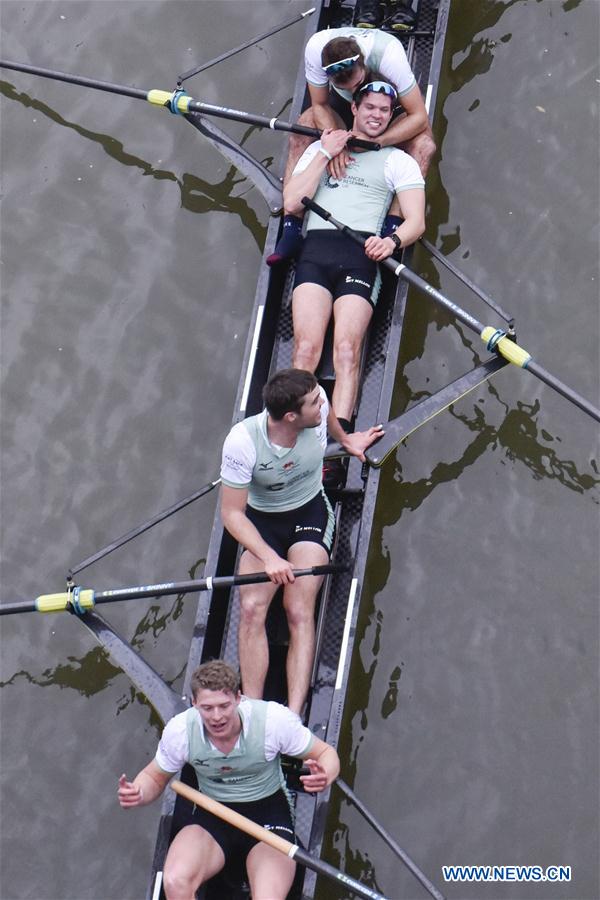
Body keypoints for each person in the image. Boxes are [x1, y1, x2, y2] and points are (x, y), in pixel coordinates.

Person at [219, 368, 382, 715]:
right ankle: (253, 708)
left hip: (310, 513)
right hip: (264, 524)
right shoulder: (242, 443)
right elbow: (232, 515)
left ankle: (293, 715)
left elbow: (329, 421)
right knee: (250, 610)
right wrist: (269, 558)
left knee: (296, 609)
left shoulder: (318, 404)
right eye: (314, 403)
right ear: (291, 416)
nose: (323, 403)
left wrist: (347, 440)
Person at [118, 659, 340, 900]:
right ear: (194, 704)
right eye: (207, 708)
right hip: (211, 815)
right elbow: (153, 777)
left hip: (268, 818)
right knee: (175, 882)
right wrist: (139, 792)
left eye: (224, 706)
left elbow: (326, 753)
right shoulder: (181, 731)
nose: (216, 717)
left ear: (239, 698)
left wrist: (325, 774)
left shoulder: (272, 722)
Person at [284, 81, 425, 446]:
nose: (376, 116)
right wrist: (323, 154)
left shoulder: (398, 161)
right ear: (355, 110)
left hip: (359, 259)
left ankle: (337, 441)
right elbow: (291, 204)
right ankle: (295, 433)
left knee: (346, 349)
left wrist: (391, 241)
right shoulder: (321, 148)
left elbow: (416, 223)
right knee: (305, 349)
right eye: (370, 108)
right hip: (314, 255)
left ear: (390, 116)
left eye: (384, 111)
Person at [267, 26, 433, 266]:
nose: (353, 91)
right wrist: (335, 145)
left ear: (364, 64)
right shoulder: (316, 48)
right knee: (303, 124)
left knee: (424, 144)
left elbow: (419, 116)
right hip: (348, 113)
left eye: (357, 84)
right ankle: (292, 223)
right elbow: (320, 105)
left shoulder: (389, 54)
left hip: (385, 109)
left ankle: (393, 226)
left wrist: (378, 142)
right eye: (344, 87)